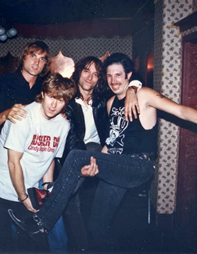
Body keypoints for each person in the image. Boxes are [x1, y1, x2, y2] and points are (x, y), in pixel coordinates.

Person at [8, 53, 197, 251]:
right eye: (110, 75)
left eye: (119, 76)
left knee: (75, 156)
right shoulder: (112, 103)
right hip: (117, 166)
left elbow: (181, 111)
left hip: (138, 166)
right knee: (97, 227)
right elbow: (110, 143)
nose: (113, 80)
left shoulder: (143, 95)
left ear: (129, 76)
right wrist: (95, 164)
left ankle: (41, 223)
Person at [0, 73, 76, 252]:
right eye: (51, 97)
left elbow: (49, 158)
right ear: (43, 94)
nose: (54, 105)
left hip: (27, 188)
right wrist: (23, 197)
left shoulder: (63, 125)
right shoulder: (23, 117)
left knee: (30, 244)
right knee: (3, 244)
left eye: (61, 100)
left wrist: (46, 187)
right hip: (0, 187)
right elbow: (13, 163)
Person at [60, 56, 141, 251]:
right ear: (78, 71)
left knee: (91, 149)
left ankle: (55, 193)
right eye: (86, 71)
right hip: (73, 156)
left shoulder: (103, 100)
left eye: (96, 74)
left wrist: (132, 88)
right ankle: (83, 248)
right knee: (71, 203)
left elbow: (132, 78)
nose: (90, 77)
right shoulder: (66, 100)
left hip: (100, 154)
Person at [0, 41, 51, 142]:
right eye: (33, 56)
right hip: (5, 144)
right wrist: (6, 115)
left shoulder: (46, 87)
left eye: (41, 59)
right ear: (23, 58)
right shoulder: (3, 82)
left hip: (34, 145)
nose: (37, 63)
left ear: (45, 63)